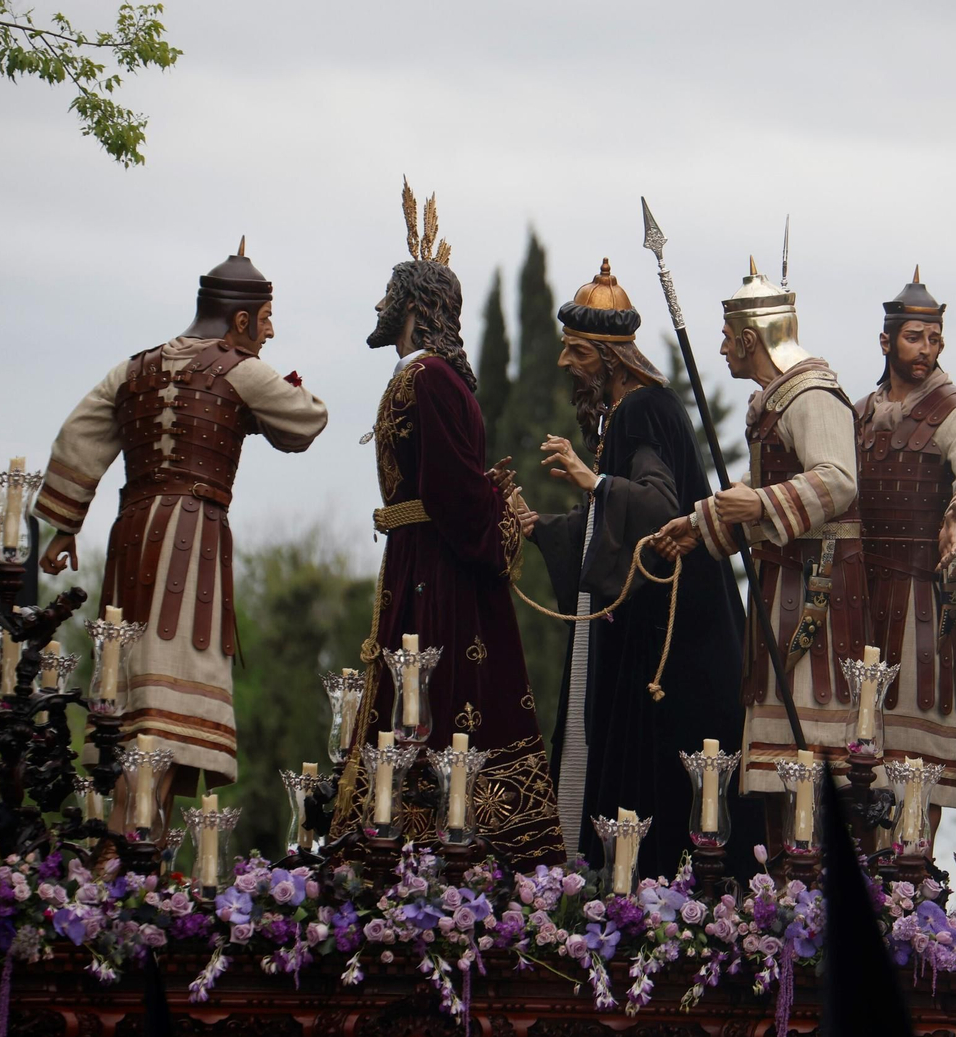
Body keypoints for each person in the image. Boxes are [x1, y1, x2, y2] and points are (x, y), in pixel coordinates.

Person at [35, 241, 329, 812]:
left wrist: (64, 526)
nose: (270, 333)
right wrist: (259, 400)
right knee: (165, 721)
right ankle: (127, 856)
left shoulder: (133, 367)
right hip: (191, 540)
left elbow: (79, 436)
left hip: (131, 535)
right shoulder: (240, 369)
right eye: (265, 320)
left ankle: (127, 851)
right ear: (240, 319)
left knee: (130, 706)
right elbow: (308, 417)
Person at [336, 182, 563, 871]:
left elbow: (455, 490)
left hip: (441, 577)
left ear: (413, 307)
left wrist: (500, 520)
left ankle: (439, 844)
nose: (378, 307)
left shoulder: (431, 378)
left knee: (437, 704)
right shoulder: (423, 376)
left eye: (388, 296)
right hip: (418, 564)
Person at [516, 258, 749, 876]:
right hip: (645, 632)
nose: (566, 365)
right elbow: (604, 526)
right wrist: (539, 527)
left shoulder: (644, 410)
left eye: (578, 354)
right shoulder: (629, 413)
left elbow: (655, 505)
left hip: (669, 642)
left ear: (611, 358)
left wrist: (592, 478)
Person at [654, 259, 867, 841]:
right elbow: (755, 504)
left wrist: (764, 505)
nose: (722, 348)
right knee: (776, 766)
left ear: (750, 338)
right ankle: (784, 881)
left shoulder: (813, 397)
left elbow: (839, 480)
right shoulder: (775, 402)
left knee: (815, 755)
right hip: (783, 591)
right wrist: (696, 526)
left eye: (727, 337)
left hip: (819, 601)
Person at [854, 268, 956, 838]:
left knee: (917, 752)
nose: (927, 349)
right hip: (859, 596)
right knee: (862, 749)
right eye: (915, 337)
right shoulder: (859, 413)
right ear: (886, 341)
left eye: (935, 338)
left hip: (923, 598)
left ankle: (913, 876)